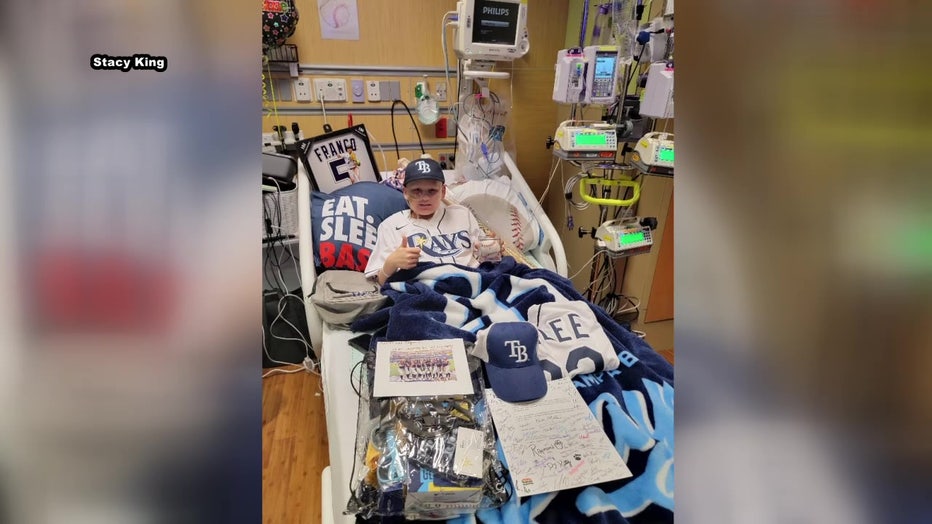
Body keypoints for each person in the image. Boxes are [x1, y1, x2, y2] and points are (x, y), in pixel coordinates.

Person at [365, 157, 495, 284]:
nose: (424, 198)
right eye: (417, 191)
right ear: (405, 192)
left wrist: (491, 251)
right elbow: (381, 282)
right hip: (423, 291)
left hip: (472, 283)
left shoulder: (462, 214)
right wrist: (391, 263)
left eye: (432, 191)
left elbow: (486, 256)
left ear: (443, 191)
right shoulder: (390, 226)